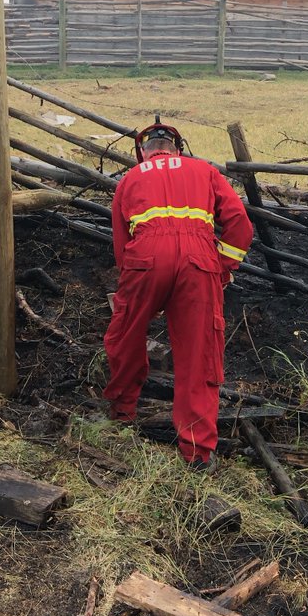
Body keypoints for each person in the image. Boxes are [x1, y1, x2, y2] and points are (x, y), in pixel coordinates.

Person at [103, 120, 253, 469]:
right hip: (199, 261)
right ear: (178, 148)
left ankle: (122, 413)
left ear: (143, 153)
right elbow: (240, 226)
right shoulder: (205, 171)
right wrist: (222, 268)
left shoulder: (130, 179)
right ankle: (198, 452)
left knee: (126, 334)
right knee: (199, 353)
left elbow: (122, 247)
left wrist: (140, 287)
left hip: (146, 259)